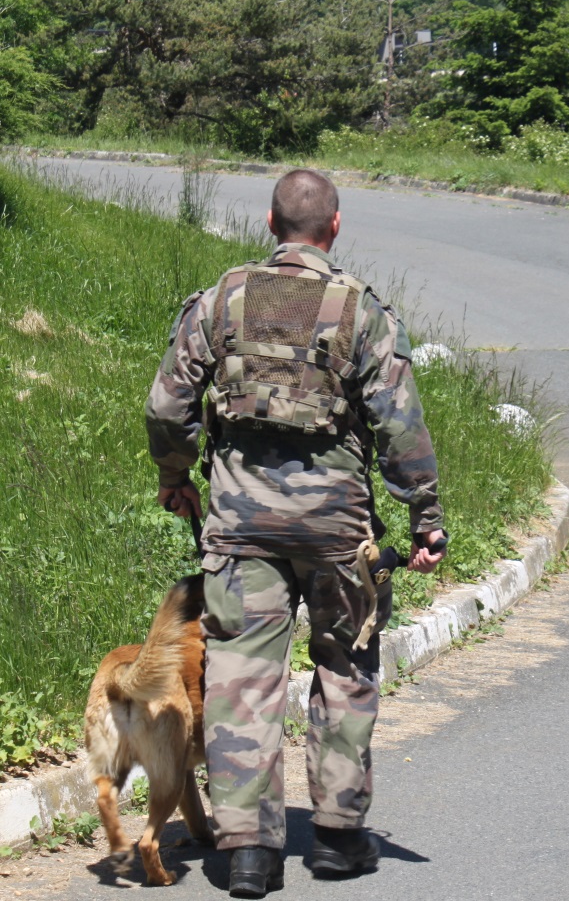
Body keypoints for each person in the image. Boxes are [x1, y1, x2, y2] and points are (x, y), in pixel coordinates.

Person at [145, 168, 446, 897]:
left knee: (242, 675)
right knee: (346, 663)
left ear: (271, 224)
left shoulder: (221, 302)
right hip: (337, 526)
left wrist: (176, 475)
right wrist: (425, 516)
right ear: (333, 227)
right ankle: (339, 837)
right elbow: (399, 425)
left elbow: (166, 405)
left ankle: (248, 851)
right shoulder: (360, 313)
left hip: (241, 524)